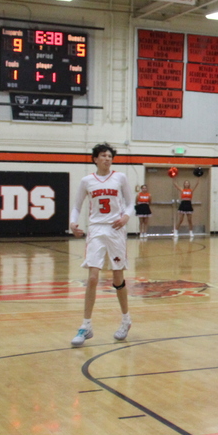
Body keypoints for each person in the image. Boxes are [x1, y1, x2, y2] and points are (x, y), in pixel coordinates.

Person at [69, 143, 134, 347]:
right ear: (95, 159)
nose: (107, 158)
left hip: (116, 230)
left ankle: (126, 320)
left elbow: (131, 203)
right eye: (103, 155)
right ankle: (86, 325)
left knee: (118, 278)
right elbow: (77, 205)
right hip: (96, 229)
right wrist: (72, 223)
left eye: (109, 156)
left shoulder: (120, 177)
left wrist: (125, 217)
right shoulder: (87, 180)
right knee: (93, 277)